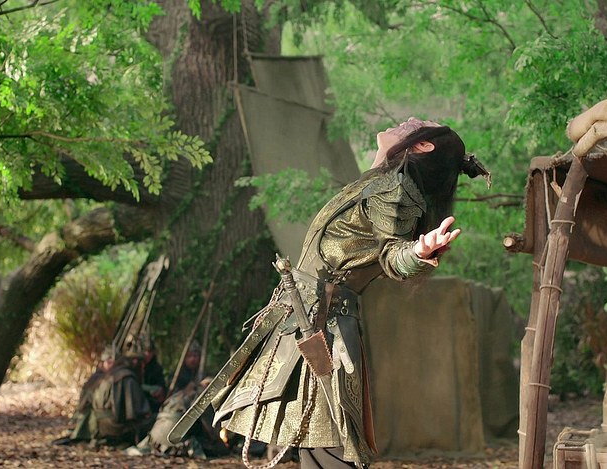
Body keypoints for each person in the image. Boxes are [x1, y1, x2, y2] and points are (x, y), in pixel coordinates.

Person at [169, 117, 491, 468]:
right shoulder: (377, 183)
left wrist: (417, 252)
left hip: (324, 327)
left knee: (329, 446)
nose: (410, 119)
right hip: (307, 318)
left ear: (423, 145)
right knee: (315, 441)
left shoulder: (393, 188)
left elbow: (392, 254)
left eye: (421, 124)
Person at [59, 347, 154, 447]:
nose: (144, 367)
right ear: (135, 362)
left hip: (100, 427)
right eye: (142, 363)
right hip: (115, 429)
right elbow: (137, 413)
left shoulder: (107, 376)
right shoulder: (127, 378)